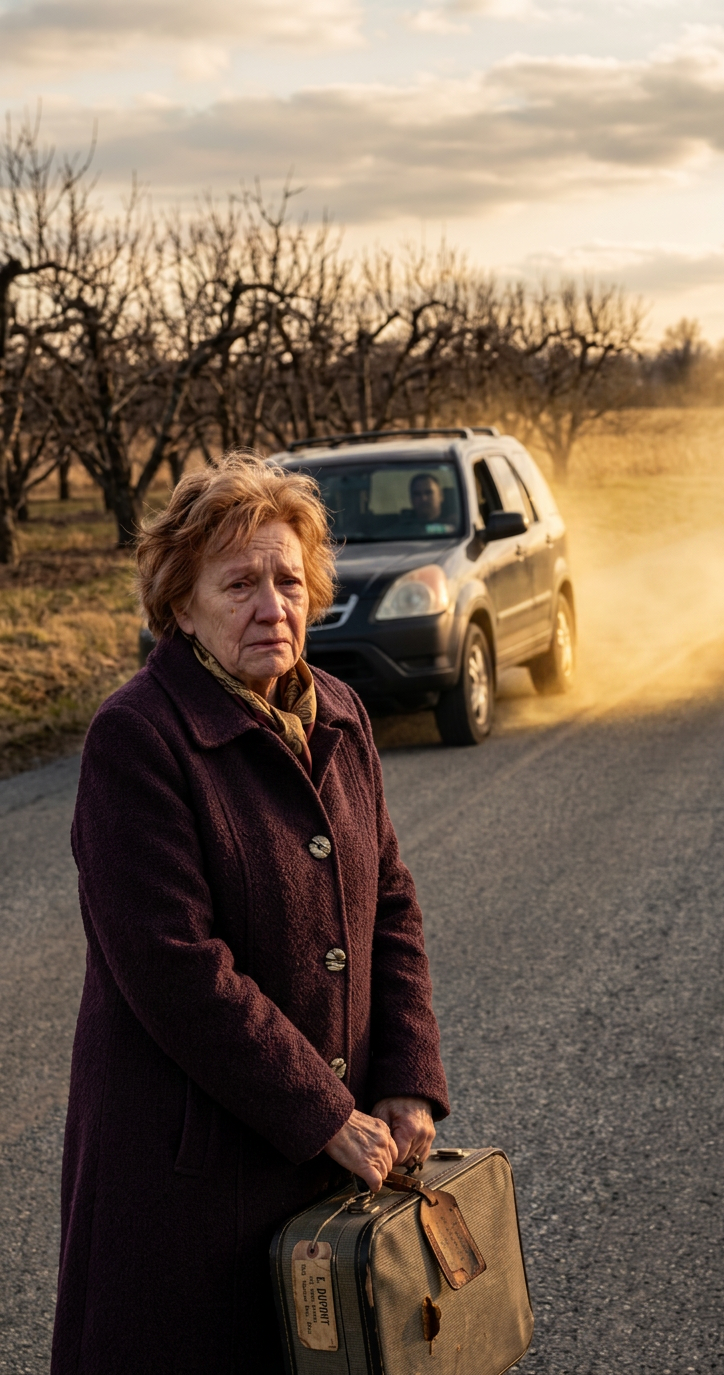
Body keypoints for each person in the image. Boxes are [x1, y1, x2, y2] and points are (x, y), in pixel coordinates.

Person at [51, 455, 449, 1375]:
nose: (274, 604)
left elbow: (388, 897)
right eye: (240, 583)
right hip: (188, 1180)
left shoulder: (338, 710)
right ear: (180, 606)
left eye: (289, 579)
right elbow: (175, 965)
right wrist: (323, 1114)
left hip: (328, 1158)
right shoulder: (138, 738)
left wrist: (407, 1073)